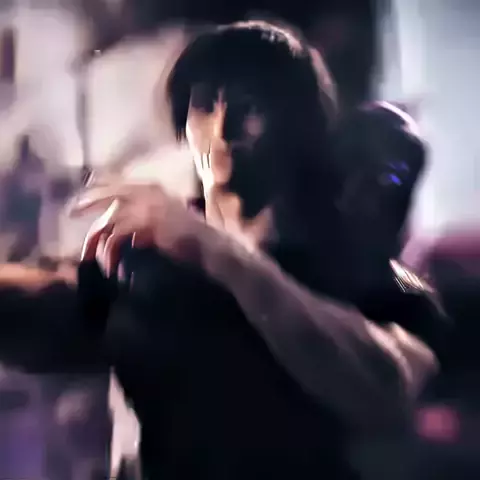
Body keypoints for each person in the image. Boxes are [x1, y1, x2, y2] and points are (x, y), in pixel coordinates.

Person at [0, 21, 439, 479]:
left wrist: (217, 252)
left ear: (298, 124)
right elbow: (52, 303)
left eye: (249, 105)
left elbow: (386, 389)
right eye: (205, 104)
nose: (223, 128)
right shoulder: (148, 264)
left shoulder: (365, 273)